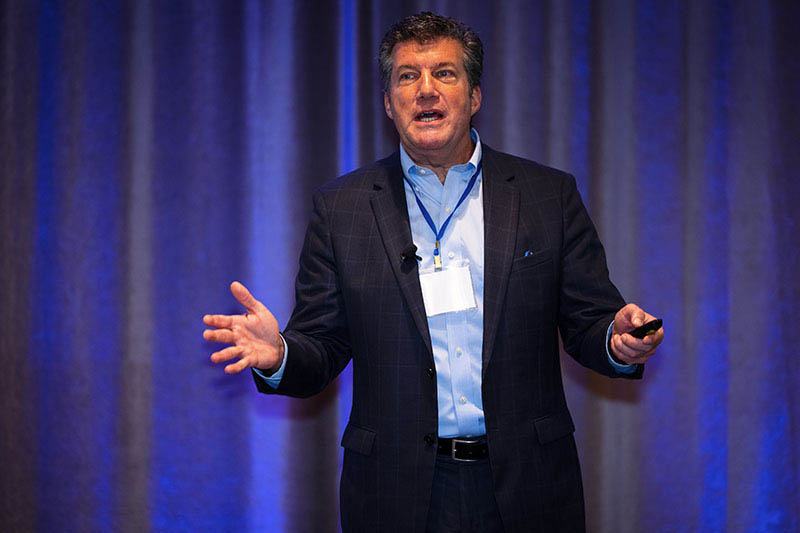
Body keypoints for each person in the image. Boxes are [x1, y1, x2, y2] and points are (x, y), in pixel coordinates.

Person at [203, 11, 663, 533]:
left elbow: (590, 322)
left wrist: (618, 340)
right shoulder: (342, 208)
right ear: (388, 103)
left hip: (529, 484)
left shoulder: (547, 195)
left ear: (474, 96)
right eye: (407, 76)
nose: (426, 89)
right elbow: (322, 345)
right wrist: (281, 354)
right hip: (393, 489)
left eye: (444, 73)